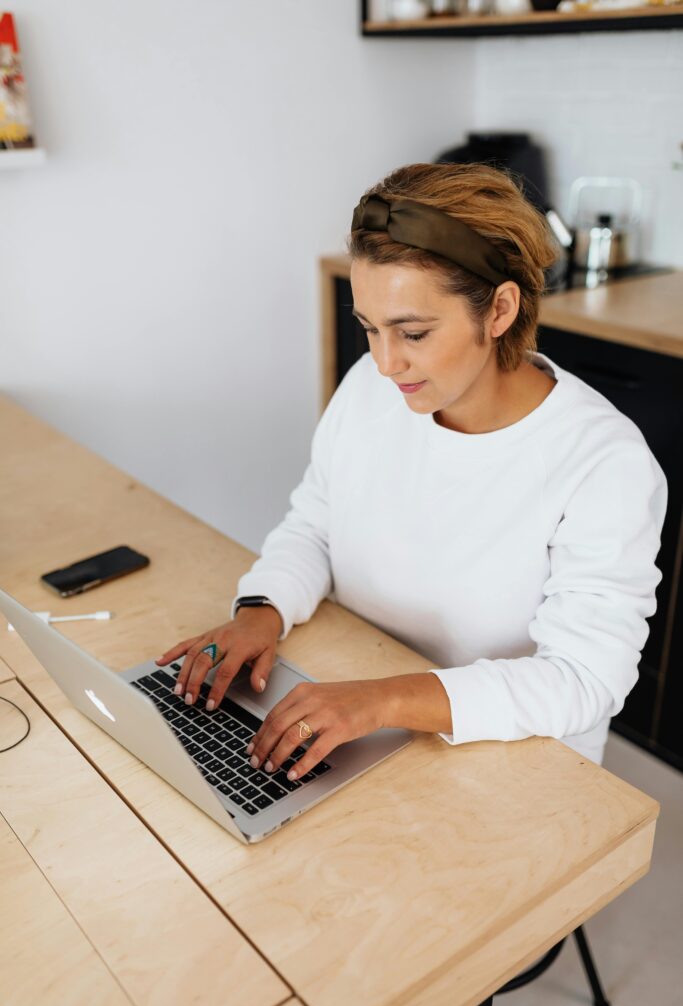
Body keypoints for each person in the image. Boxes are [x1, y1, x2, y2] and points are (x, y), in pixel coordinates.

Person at [157, 162, 667, 783]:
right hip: (359, 710)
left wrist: (380, 700)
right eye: (369, 328)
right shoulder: (375, 392)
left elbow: (584, 679)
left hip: (512, 761)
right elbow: (315, 523)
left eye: (414, 332)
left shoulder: (604, 461)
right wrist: (261, 611)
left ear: (500, 309)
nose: (383, 361)